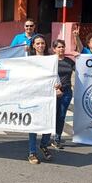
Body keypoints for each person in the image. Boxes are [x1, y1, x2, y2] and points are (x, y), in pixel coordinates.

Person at [26, 34, 59, 164]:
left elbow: (54, 76)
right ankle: (32, 153)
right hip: (33, 95)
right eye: (38, 43)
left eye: (43, 43)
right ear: (33, 45)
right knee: (33, 125)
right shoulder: (29, 60)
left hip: (48, 96)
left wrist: (57, 86)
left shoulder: (51, 60)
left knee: (48, 123)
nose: (40, 46)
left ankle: (44, 145)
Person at [52, 39, 75, 149]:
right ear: (54, 49)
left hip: (66, 92)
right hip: (53, 92)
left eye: (62, 47)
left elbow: (81, 69)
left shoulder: (69, 61)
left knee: (61, 115)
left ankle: (57, 138)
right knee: (52, 115)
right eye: (59, 47)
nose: (61, 49)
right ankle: (48, 137)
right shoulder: (51, 61)